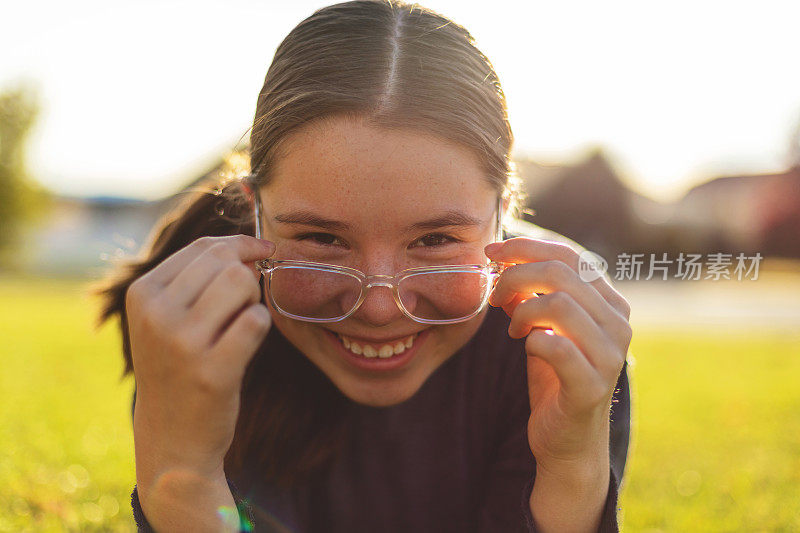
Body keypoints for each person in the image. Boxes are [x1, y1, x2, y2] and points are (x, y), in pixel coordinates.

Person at [93, 1, 632, 531]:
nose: (378, 307)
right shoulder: (196, 319)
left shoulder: (559, 330)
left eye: (436, 239)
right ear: (253, 211)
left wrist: (571, 464)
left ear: (504, 215)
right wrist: (181, 475)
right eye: (322, 237)